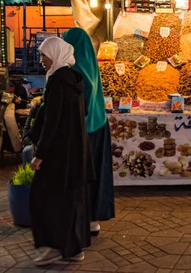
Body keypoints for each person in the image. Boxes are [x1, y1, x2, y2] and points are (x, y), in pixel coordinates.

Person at [29, 37, 94, 267]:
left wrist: (40, 155)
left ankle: (56, 247)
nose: (41, 60)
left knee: (45, 199)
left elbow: (51, 122)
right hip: (74, 151)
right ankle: (72, 248)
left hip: (58, 154)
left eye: (44, 55)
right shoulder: (75, 79)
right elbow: (82, 111)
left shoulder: (57, 81)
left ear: (55, 55)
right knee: (67, 201)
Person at [63, 28, 115, 236]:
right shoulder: (91, 65)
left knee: (82, 176)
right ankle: (93, 219)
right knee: (96, 176)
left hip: (84, 130)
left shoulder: (77, 68)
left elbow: (81, 99)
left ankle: (84, 220)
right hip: (98, 125)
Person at [20, 96, 43, 165]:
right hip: (35, 143)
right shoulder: (35, 109)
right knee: (27, 151)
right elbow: (27, 127)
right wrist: (27, 140)